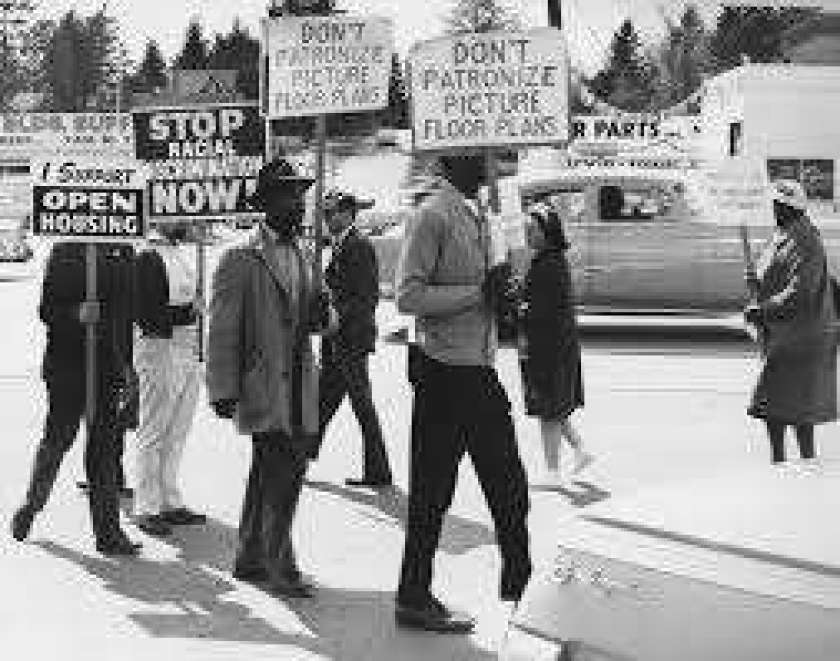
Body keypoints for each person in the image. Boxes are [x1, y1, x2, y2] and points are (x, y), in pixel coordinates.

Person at [394, 153, 532, 633]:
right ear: (454, 161)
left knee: (507, 487)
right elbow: (408, 297)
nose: (491, 165)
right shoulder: (432, 215)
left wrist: (505, 298)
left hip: (476, 367)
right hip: (445, 372)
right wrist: (478, 293)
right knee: (436, 493)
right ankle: (415, 596)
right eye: (481, 157)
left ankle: (518, 584)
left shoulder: (479, 215)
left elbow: (489, 292)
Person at [206, 156, 324, 598]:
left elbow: (321, 317)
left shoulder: (303, 253)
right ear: (270, 202)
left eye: (301, 195)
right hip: (262, 384)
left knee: (267, 471)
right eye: (292, 196)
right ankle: (281, 564)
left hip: (300, 385)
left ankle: (250, 555)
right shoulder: (240, 257)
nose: (300, 204)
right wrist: (222, 389)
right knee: (285, 472)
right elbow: (222, 330)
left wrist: (323, 314)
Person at [11, 241, 141, 556]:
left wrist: (128, 367)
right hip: (68, 368)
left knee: (104, 452)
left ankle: (108, 534)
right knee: (57, 440)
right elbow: (46, 309)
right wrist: (76, 314)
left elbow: (126, 317)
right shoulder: (64, 252)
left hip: (108, 370)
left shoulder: (122, 252)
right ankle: (31, 505)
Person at [744, 179, 838, 464]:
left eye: (778, 206)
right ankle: (793, 460)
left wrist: (764, 310)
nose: (773, 210)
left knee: (777, 402)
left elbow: (800, 292)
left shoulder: (805, 239)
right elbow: (775, 273)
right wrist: (756, 281)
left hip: (801, 335)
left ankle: (786, 462)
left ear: (790, 207)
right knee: (791, 403)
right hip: (788, 333)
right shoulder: (783, 233)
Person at [132, 222, 205, 537]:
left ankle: (169, 499)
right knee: (154, 430)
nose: (185, 222)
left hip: (187, 352)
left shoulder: (177, 253)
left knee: (178, 430)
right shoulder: (147, 256)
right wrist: (190, 313)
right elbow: (148, 315)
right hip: (159, 349)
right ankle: (147, 506)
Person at [319, 189, 393, 488]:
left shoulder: (358, 246)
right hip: (338, 339)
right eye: (324, 213)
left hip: (350, 340)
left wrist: (337, 317)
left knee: (362, 406)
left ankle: (379, 472)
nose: (326, 218)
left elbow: (366, 297)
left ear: (348, 214)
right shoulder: (340, 245)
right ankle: (299, 457)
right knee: (323, 402)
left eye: (331, 212)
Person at [520, 204, 592, 484]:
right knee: (554, 408)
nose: (528, 233)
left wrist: (519, 307)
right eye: (527, 228)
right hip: (553, 348)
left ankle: (552, 472)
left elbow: (540, 310)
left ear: (548, 233)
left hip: (548, 350)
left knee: (548, 410)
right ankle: (580, 450)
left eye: (533, 229)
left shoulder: (547, 264)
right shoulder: (549, 260)